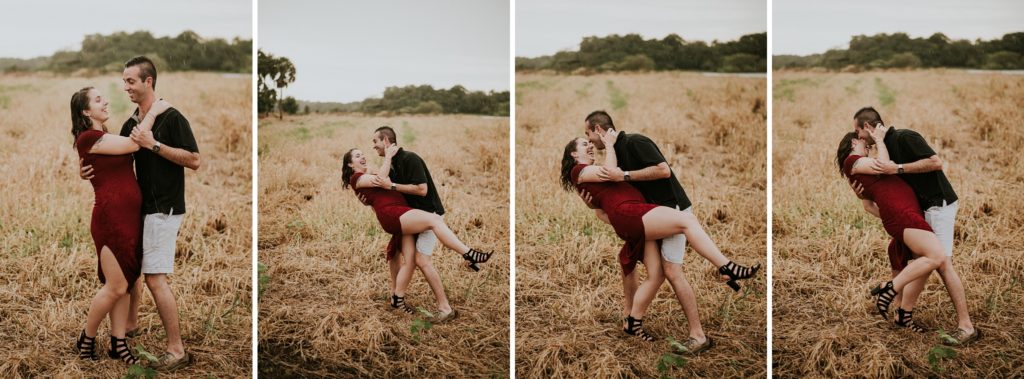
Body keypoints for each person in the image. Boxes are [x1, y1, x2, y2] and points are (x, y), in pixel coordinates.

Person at [561, 132, 759, 353]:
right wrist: (609, 145)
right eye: (584, 144)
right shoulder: (579, 170)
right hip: (632, 214)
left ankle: (632, 322)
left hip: (631, 217)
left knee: (657, 275)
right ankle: (727, 267)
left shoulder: (592, 179)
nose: (589, 146)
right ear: (573, 153)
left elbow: (601, 213)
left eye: (590, 142)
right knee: (687, 220)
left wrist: (619, 220)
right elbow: (611, 172)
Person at [80, 56, 199, 369]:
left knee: (154, 279)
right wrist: (89, 170)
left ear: (148, 82)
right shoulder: (132, 123)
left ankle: (177, 350)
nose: (125, 87)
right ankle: (128, 329)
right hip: (135, 213)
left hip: (163, 208)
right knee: (130, 277)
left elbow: (194, 160)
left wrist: (155, 145)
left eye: (131, 81)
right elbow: (116, 158)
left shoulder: (171, 117)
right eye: (124, 81)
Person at [848, 107, 977, 345]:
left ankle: (966, 326)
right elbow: (887, 190)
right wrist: (863, 195)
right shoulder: (883, 150)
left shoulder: (905, 137)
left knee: (942, 262)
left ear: (867, 127)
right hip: (921, 210)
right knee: (926, 261)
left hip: (938, 204)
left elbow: (935, 162)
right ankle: (903, 313)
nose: (856, 136)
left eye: (857, 130)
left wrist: (897, 168)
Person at [71, 86, 169, 365]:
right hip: (110, 220)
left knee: (125, 284)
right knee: (114, 286)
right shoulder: (89, 137)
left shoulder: (103, 136)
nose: (105, 102)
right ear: (86, 111)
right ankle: (86, 338)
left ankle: (118, 344)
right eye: (98, 99)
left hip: (129, 219)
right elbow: (133, 144)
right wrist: (153, 113)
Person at [343, 146, 493, 322]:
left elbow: (381, 187)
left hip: (400, 213)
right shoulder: (356, 177)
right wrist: (388, 157)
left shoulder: (367, 176)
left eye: (362, 154)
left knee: (412, 259)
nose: (363, 156)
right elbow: (382, 180)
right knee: (434, 220)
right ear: (350, 164)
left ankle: (397, 299)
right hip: (394, 214)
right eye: (357, 156)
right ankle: (468, 253)